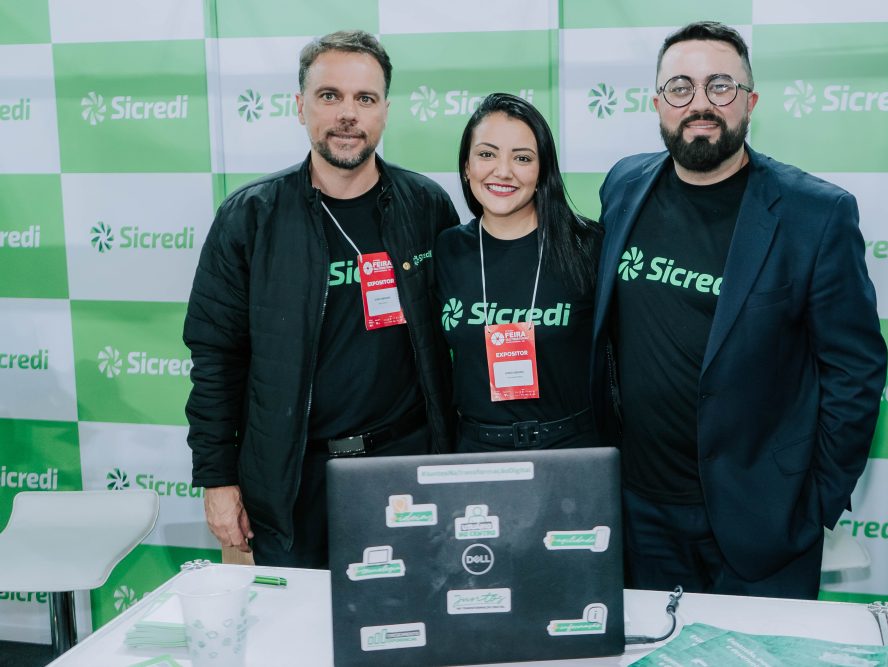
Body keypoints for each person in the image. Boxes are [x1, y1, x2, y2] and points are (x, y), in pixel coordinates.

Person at [590, 21, 887, 598]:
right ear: (657, 103)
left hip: (763, 519)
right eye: (680, 87)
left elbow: (855, 370)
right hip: (641, 511)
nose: (700, 103)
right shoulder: (623, 185)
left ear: (750, 102)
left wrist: (814, 502)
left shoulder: (815, 213)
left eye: (720, 86)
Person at [184, 30, 458, 568]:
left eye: (365, 98)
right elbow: (215, 358)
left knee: (404, 613)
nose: (348, 114)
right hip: (292, 481)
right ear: (300, 106)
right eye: (330, 96)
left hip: (405, 469)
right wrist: (217, 480)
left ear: (385, 111)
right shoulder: (251, 217)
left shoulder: (426, 206)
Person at [434, 93, 603, 451]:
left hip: (570, 449)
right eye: (487, 154)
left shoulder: (588, 246)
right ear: (466, 167)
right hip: (475, 450)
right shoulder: (447, 250)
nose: (503, 171)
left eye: (522, 158)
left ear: (542, 171)